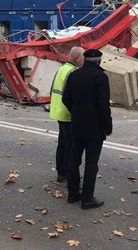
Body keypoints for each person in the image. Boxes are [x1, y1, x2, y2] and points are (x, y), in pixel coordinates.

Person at [62, 49, 112, 210]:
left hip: (76, 125)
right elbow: (103, 106)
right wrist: (107, 126)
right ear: (99, 61)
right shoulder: (101, 77)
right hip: (95, 128)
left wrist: (76, 112)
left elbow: (65, 98)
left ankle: (72, 194)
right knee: (91, 163)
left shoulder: (74, 75)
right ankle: (87, 198)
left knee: (73, 160)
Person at [49, 47, 84, 183]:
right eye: (82, 58)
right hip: (67, 113)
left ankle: (61, 172)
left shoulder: (61, 69)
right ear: (77, 59)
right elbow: (73, 96)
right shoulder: (72, 72)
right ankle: (69, 174)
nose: (84, 61)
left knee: (62, 144)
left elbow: (53, 89)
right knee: (70, 145)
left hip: (58, 111)